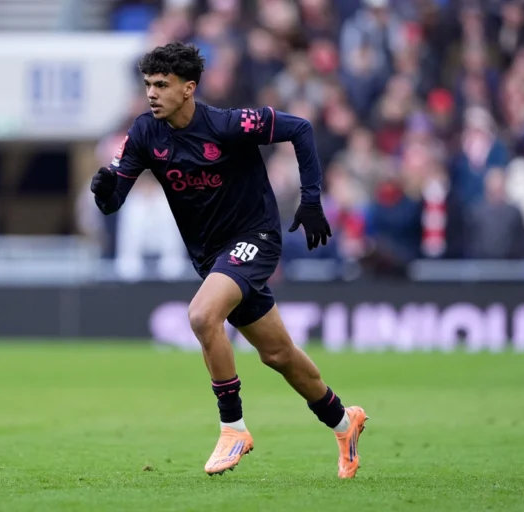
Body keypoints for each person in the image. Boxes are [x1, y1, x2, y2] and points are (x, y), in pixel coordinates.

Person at [90, 42, 368, 478]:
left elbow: (301, 128)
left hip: (254, 237)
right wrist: (104, 188)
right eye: (148, 85)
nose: (152, 93)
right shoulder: (145, 133)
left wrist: (311, 199)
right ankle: (342, 420)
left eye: (162, 85)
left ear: (189, 88)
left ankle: (232, 427)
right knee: (278, 354)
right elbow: (113, 203)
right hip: (211, 256)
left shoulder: (226, 124)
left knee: (201, 316)